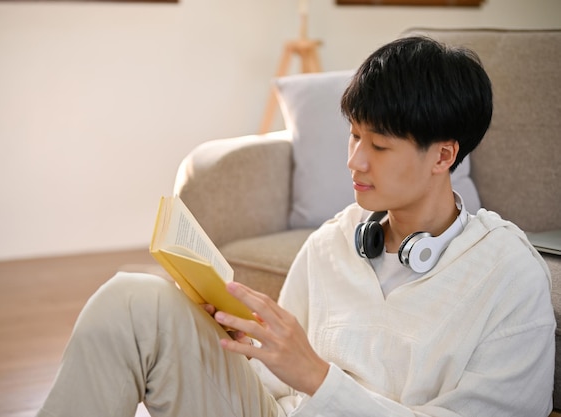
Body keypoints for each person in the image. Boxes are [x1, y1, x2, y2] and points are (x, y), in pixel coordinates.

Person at [36, 36, 555, 417]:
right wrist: (226, 337)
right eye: (353, 137)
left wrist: (317, 377)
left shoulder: (506, 274)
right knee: (132, 300)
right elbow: (274, 380)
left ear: (444, 154)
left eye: (378, 146)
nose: (354, 161)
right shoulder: (334, 241)